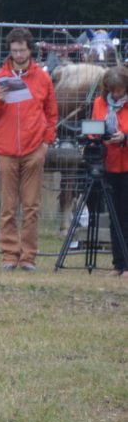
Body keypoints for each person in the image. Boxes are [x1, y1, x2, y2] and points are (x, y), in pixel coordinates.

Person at [0, 27, 58, 271]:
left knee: (31, 207)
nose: (18, 54)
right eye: (14, 50)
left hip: (34, 149)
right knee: (7, 207)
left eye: (22, 50)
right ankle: (9, 255)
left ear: (30, 49)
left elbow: (52, 115)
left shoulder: (43, 78)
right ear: (10, 50)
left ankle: (28, 257)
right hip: (5, 150)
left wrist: (45, 144)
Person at [91, 66, 128, 277]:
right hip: (110, 165)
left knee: (126, 216)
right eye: (113, 91)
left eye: (120, 91)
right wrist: (99, 137)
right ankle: (118, 263)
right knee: (114, 216)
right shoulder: (99, 103)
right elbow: (93, 129)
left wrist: (125, 137)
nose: (116, 94)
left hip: (127, 165)